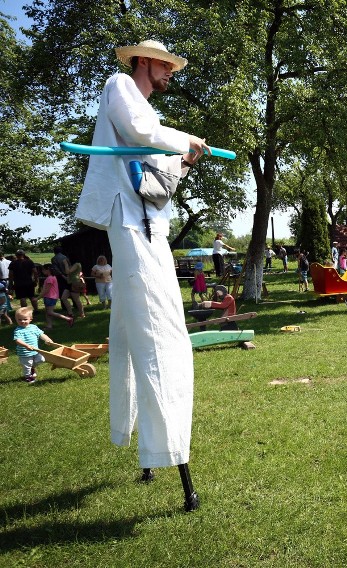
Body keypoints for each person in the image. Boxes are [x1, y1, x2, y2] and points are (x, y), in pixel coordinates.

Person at [75, 39, 207, 511]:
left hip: (148, 230)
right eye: (165, 65)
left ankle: (148, 455)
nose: (170, 72)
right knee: (162, 338)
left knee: (132, 334)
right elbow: (143, 128)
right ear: (144, 62)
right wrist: (185, 139)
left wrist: (186, 158)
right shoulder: (121, 87)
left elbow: (158, 181)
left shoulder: (148, 127)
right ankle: (172, 459)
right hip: (132, 230)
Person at [13, 306, 56, 384]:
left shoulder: (34, 327)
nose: (22, 321)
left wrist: (47, 339)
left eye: (25, 319)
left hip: (35, 351)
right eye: (19, 319)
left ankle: (32, 368)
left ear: (30, 319)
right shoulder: (18, 330)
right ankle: (28, 377)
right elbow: (17, 340)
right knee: (27, 365)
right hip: (24, 353)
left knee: (41, 359)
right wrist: (26, 346)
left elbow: (41, 334)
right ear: (16, 320)